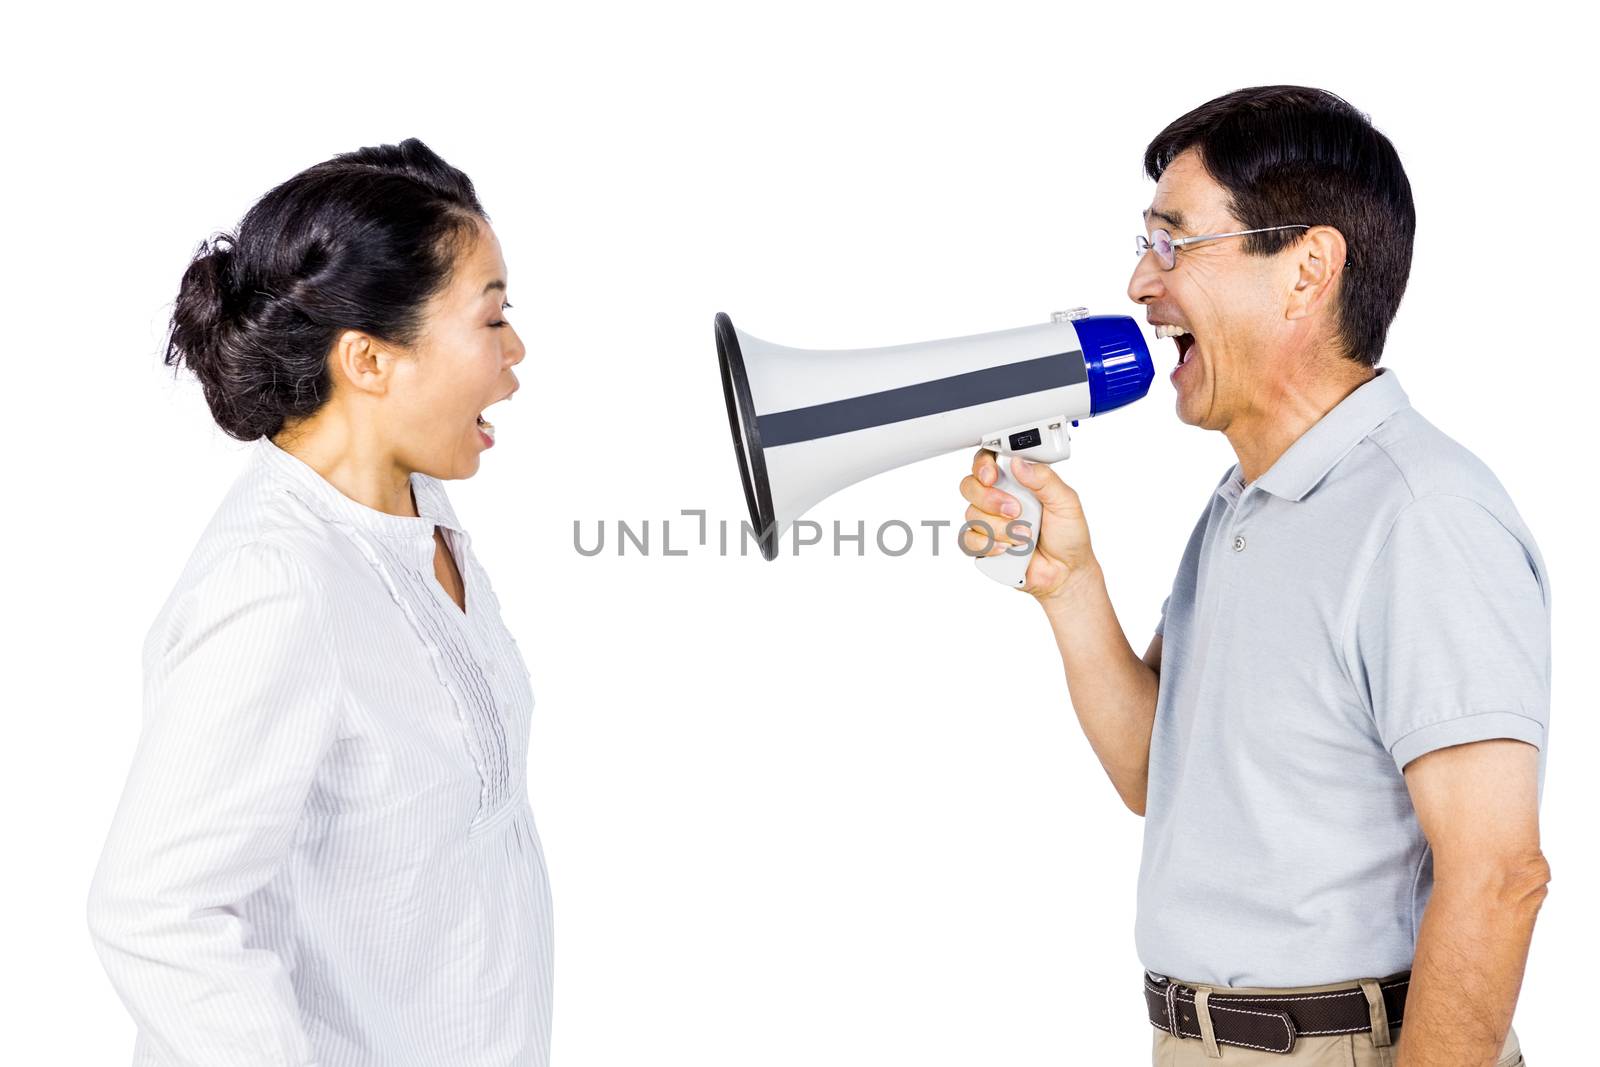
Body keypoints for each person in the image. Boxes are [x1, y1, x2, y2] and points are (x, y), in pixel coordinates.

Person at [958, 87, 1548, 1066]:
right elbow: (1158, 773)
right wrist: (1069, 584)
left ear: (1306, 267)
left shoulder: (1422, 516)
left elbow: (1497, 873)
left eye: (1171, 243)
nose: (1139, 286)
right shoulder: (1244, 503)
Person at [86, 138, 551, 1066]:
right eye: (491, 319)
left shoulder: (413, 510)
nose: (517, 351)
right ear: (369, 360)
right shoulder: (277, 583)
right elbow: (156, 909)